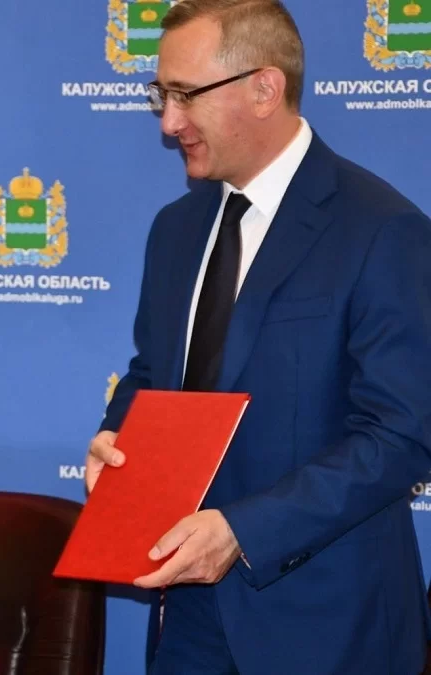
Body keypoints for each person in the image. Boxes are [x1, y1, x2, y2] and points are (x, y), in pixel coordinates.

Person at [86, 1, 431, 673]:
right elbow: (154, 373)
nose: (168, 122)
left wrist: (244, 531)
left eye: (185, 95)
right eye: (162, 95)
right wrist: (117, 434)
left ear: (264, 89)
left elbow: (402, 434)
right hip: (186, 614)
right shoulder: (175, 229)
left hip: (328, 624)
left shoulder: (382, 229)